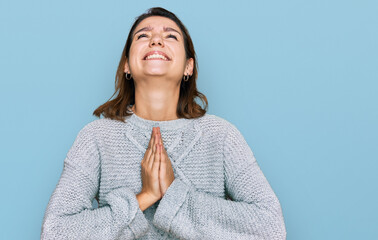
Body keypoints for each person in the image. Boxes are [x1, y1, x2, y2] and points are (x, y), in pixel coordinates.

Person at [41, 7, 286, 240]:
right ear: (127, 64)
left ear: (188, 67)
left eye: (170, 36)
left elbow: (271, 227)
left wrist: (173, 194)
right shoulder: (96, 137)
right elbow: (55, 232)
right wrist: (143, 198)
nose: (156, 40)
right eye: (143, 35)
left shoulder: (221, 136)